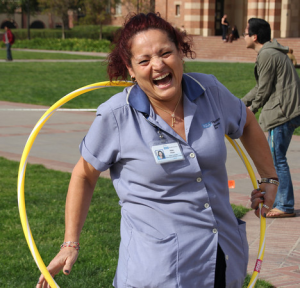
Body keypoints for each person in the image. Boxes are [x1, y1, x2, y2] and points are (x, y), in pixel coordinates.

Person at [37, 13, 278, 288]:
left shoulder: (209, 91)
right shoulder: (117, 116)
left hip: (221, 259)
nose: (158, 65)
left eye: (166, 53)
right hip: (157, 272)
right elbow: (84, 174)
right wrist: (70, 243)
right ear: (130, 68)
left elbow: (245, 120)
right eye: (144, 60)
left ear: (180, 53)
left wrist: (269, 178)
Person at [242, 18, 300, 218]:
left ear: (255, 36)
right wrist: (242, 103)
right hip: (285, 111)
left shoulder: (266, 54)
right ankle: (283, 202)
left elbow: (264, 89)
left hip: (281, 113)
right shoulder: (270, 52)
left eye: (246, 32)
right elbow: (261, 86)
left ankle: (285, 205)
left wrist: (252, 110)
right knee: (277, 158)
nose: (244, 36)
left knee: (276, 160)